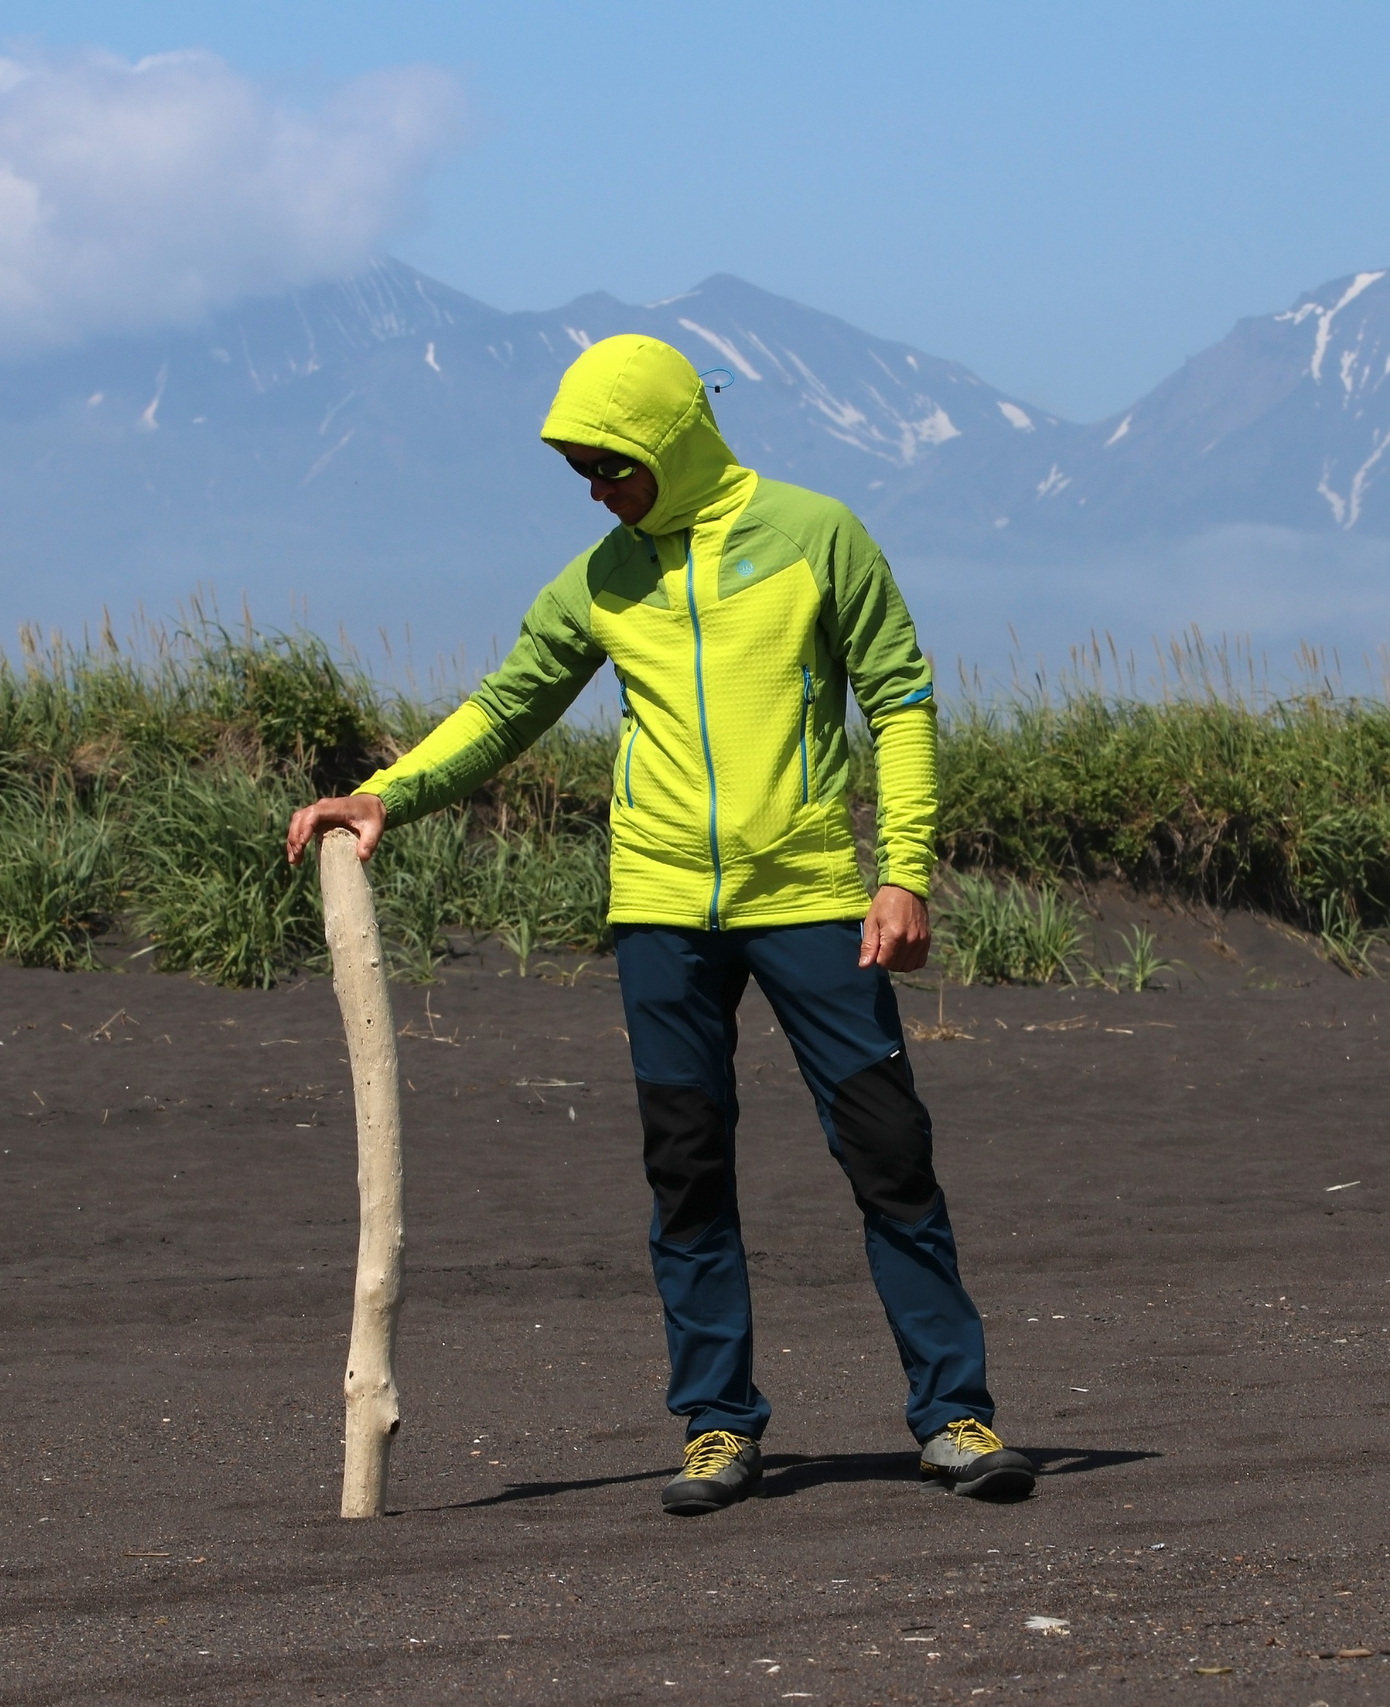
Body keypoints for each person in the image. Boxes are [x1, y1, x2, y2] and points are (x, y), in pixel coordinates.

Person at [285, 334, 1033, 1515]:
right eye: (581, 468)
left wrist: (902, 872)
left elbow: (898, 696)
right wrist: (387, 792)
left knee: (889, 1156)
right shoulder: (600, 579)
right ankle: (717, 1428)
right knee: (686, 1172)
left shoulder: (814, 534)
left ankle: (955, 1415)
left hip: (810, 903)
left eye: (613, 464)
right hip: (661, 913)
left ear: (674, 439)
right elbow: (505, 705)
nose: (597, 487)